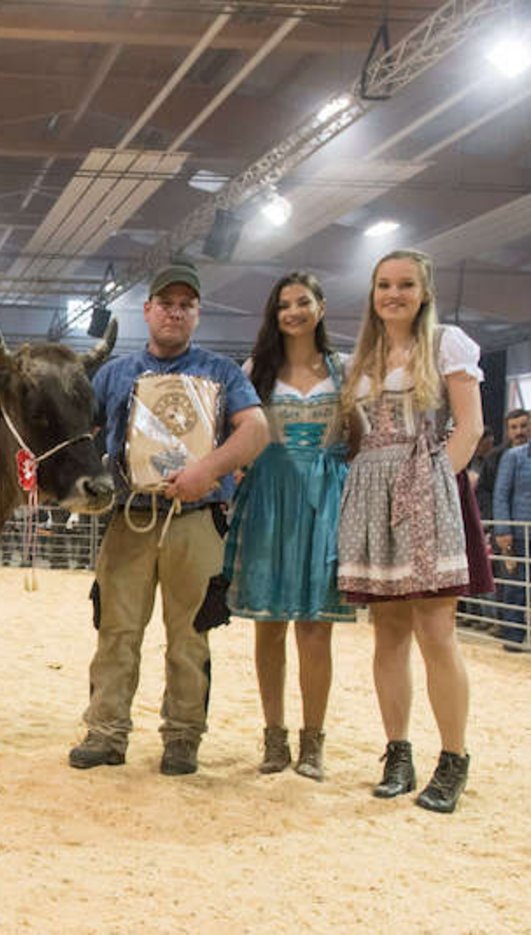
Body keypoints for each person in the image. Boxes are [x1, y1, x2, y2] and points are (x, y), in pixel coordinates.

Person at [70, 260, 268, 776]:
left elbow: (256, 431)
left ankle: (182, 737)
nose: (175, 313)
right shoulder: (114, 374)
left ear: (197, 313)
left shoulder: (221, 373)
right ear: (148, 310)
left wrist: (209, 470)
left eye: (186, 305)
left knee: (190, 636)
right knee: (115, 630)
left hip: (196, 519)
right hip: (129, 519)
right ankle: (105, 731)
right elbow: (78, 432)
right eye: (166, 304)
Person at [336, 248, 484, 814]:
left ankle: (453, 759)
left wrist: (433, 486)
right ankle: (398, 751)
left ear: (424, 291)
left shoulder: (447, 342)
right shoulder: (366, 355)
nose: (392, 294)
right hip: (373, 490)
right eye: (382, 285)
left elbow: (469, 427)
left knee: (436, 630)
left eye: (404, 284)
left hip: (427, 489)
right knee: (387, 632)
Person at [224, 272, 354, 781]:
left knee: (316, 627)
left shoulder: (345, 369)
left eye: (303, 301)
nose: (294, 311)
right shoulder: (257, 369)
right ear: (273, 314)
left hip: (326, 496)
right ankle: (273, 736)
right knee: (269, 625)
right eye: (284, 304)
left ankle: (313, 741)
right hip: (269, 494)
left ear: (321, 307)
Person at [492, 432, 531, 649]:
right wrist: (502, 529)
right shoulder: (514, 456)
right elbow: (501, 494)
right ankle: (512, 640)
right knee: (515, 588)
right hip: (520, 534)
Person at [475, 409, 528, 519]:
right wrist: (494, 517)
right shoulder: (493, 458)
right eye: (514, 427)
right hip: (502, 522)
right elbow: (483, 491)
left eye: (523, 426)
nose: (519, 432)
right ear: (507, 431)